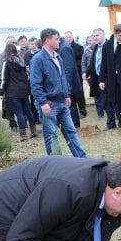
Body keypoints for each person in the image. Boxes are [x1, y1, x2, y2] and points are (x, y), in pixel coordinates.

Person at [29, 28, 86, 157]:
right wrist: (43, 103)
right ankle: (56, 164)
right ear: (47, 41)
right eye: (56, 39)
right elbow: (35, 84)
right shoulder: (38, 59)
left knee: (71, 131)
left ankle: (82, 159)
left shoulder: (57, 56)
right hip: (49, 104)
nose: (59, 41)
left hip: (62, 102)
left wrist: (66, 94)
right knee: (51, 135)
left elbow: (62, 77)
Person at [2, 43, 37, 141]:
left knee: (19, 113)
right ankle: (33, 131)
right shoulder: (22, 61)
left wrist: (1, 92)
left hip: (13, 91)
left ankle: (23, 135)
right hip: (24, 89)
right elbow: (27, 76)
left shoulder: (7, 63)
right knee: (28, 111)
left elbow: (4, 79)